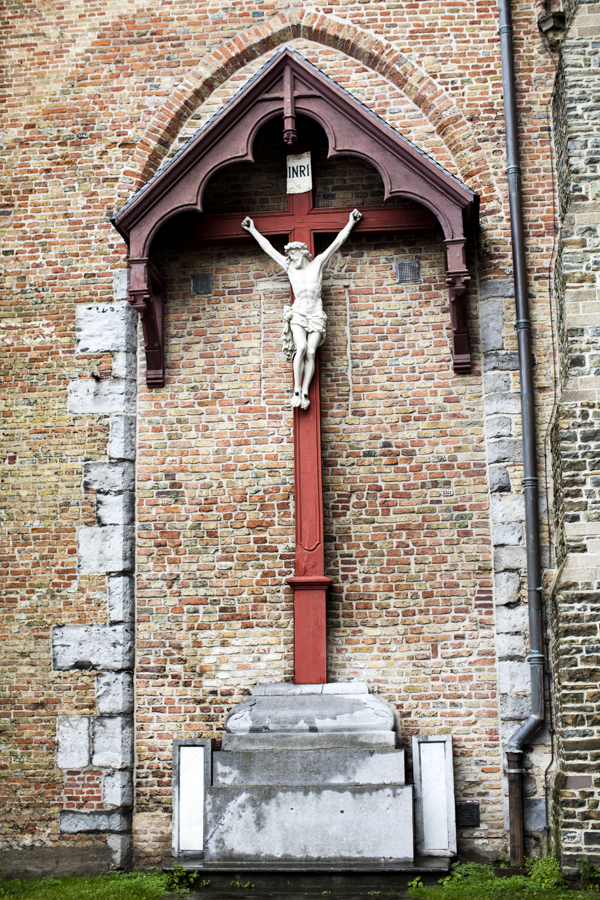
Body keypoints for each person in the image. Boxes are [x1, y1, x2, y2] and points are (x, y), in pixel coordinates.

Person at [241, 209, 362, 409]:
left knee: (312, 351)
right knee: (302, 348)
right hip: (298, 313)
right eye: (289, 254)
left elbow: (338, 242)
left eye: (293, 253)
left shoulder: (318, 263)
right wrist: (253, 230)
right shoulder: (290, 268)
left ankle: (305, 391)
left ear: (302, 253)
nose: (290, 257)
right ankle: (296, 389)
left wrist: (350, 222)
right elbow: (268, 248)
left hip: (315, 314)